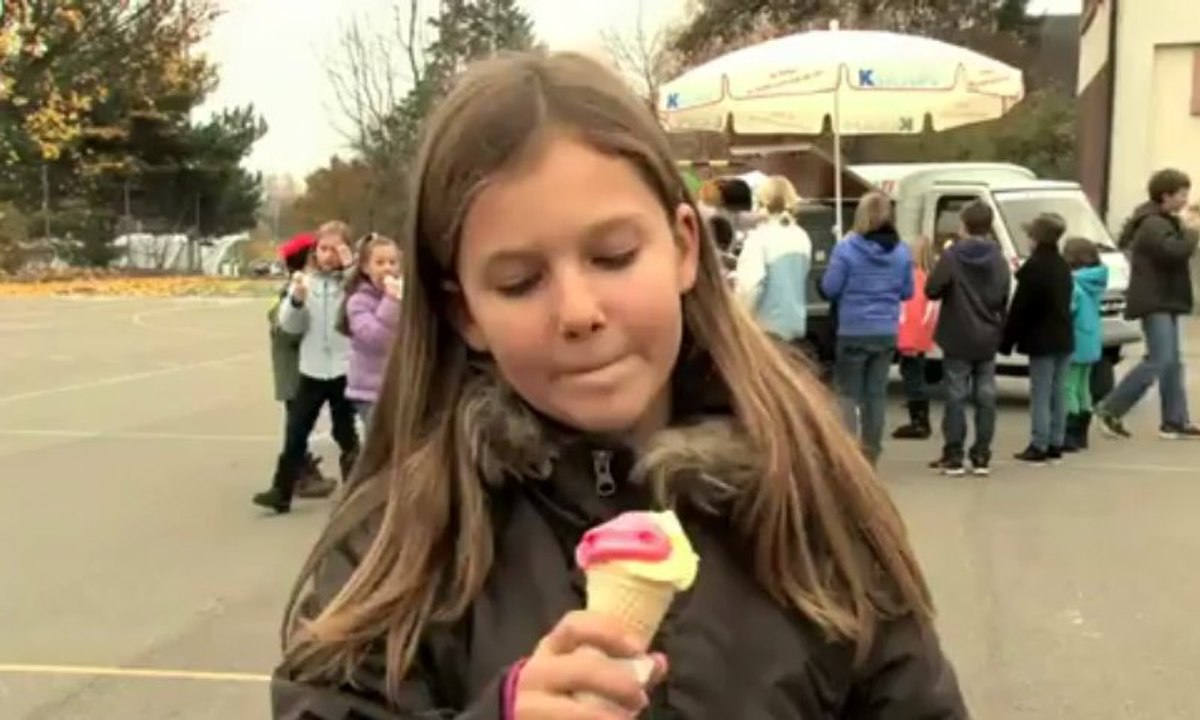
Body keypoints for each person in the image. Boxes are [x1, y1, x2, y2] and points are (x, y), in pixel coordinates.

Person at [269, 51, 967, 719]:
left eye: (612, 256)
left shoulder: (808, 492)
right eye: (518, 282)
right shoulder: (402, 532)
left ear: (684, 248)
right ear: (465, 312)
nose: (577, 312)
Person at [253, 221, 361, 514]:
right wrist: (297, 301)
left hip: (343, 370)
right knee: (296, 432)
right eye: (323, 249)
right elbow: (289, 327)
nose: (329, 255)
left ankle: (357, 488)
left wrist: (351, 266)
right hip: (311, 370)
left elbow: (361, 300)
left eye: (336, 249)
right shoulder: (306, 283)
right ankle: (281, 490)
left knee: (345, 432)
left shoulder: (353, 285)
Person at [1095, 168, 1200, 440]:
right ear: (1165, 195)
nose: (1185, 200)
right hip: (1155, 299)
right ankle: (1110, 408)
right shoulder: (1152, 223)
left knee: (1172, 362)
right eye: (1181, 195)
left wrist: (1185, 228)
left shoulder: (1162, 220)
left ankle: (1175, 421)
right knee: (1159, 359)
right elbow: (1175, 252)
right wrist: (1193, 232)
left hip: (1166, 297)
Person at [820, 191, 914, 463]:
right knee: (876, 395)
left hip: (853, 328)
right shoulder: (901, 252)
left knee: (848, 393)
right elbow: (907, 292)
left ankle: (849, 454)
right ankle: (871, 452)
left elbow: (830, 287)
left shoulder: (847, 249)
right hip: (885, 330)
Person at [925, 201, 1011, 477]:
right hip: (987, 334)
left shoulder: (952, 256)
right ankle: (982, 455)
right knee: (986, 396)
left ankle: (954, 455)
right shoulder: (998, 257)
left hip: (957, 333)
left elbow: (933, 290)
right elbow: (1002, 295)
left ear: (963, 224)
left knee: (955, 395)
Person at [1000, 213, 1074, 465]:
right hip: (1064, 336)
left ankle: (1038, 443)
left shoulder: (1034, 268)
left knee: (1040, 393)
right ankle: (1056, 441)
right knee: (1058, 391)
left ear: (1035, 238)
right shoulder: (1063, 265)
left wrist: (1006, 342)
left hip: (1042, 339)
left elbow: (1020, 309)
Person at [269, 233, 339, 500]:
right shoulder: (297, 289)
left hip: (301, 368)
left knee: (300, 426)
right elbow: (286, 329)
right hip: (296, 371)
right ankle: (298, 475)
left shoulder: (311, 285)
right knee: (298, 427)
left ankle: (298, 471)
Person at [735, 175, 812, 346]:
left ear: (761, 202)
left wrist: (739, 324)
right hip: (796, 329)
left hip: (766, 333)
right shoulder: (802, 237)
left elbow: (750, 288)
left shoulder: (759, 239)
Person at [339, 233, 403, 427]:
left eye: (392, 262)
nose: (387, 268)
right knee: (380, 448)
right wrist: (391, 300)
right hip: (370, 392)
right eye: (380, 262)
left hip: (400, 388)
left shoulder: (405, 296)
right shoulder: (358, 302)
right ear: (366, 267)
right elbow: (377, 339)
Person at [1062, 237, 1109, 452]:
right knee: (1083, 387)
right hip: (1091, 340)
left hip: (1075, 340)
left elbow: (1069, 310)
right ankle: (1082, 433)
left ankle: (1070, 433)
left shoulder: (1074, 283)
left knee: (1069, 386)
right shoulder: (1095, 282)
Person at [892, 234, 940, 441]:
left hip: (911, 337)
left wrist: (905, 340)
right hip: (923, 336)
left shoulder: (914, 277)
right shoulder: (931, 276)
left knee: (913, 378)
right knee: (915, 375)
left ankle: (919, 422)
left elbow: (910, 311)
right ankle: (920, 419)